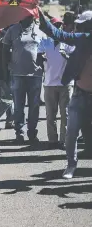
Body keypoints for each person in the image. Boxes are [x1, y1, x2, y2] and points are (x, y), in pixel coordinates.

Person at [37, 10, 92, 179]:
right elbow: (57, 33)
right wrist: (39, 14)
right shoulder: (82, 39)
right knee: (71, 132)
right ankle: (71, 165)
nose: (79, 27)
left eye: (83, 25)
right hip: (80, 94)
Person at [1, 15, 46, 144]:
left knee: (34, 106)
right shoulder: (12, 30)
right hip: (17, 74)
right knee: (19, 106)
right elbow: (4, 51)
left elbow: (47, 51)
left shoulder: (40, 31)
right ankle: (19, 132)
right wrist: (5, 71)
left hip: (36, 75)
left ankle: (32, 133)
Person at [38, 22, 75, 150]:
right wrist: (40, 59)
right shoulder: (45, 42)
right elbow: (38, 56)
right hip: (49, 83)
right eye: (53, 27)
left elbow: (76, 60)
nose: (55, 30)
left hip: (65, 84)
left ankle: (64, 140)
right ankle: (52, 140)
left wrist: (67, 56)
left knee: (66, 114)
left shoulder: (68, 43)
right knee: (50, 114)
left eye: (58, 27)